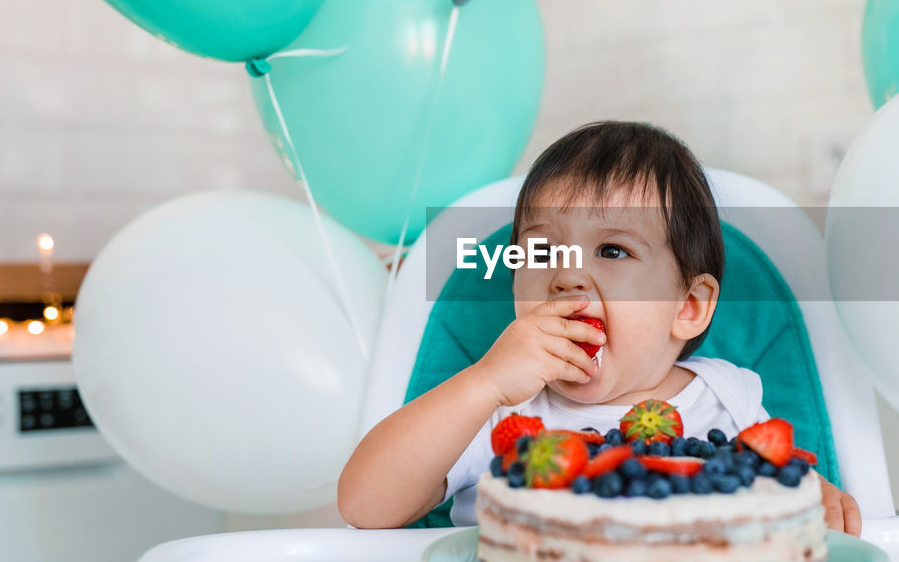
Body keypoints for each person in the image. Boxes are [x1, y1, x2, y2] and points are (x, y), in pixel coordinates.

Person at [338, 121, 861, 535]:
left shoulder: (727, 401)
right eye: (542, 252)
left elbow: (786, 496)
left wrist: (813, 496)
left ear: (688, 307)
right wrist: (484, 382)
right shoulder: (500, 410)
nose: (566, 274)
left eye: (613, 250)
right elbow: (364, 504)